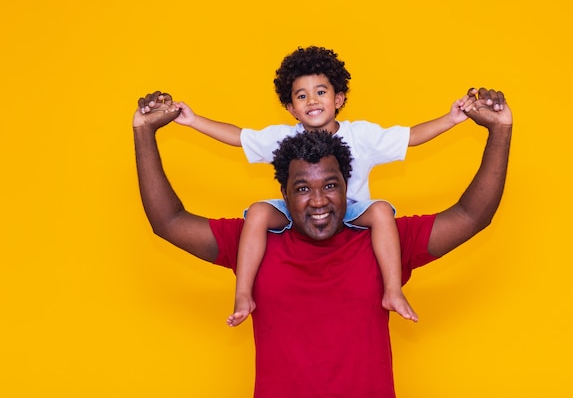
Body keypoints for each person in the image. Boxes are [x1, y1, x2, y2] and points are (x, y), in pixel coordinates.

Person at [133, 86, 512, 398]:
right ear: (282, 192)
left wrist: (500, 131)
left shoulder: (383, 242)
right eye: (302, 188)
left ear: (348, 187)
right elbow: (168, 221)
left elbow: (470, 215)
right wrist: (144, 133)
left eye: (330, 185)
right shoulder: (258, 240)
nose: (317, 200)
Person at [140, 46, 472, 326]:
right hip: (296, 213)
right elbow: (238, 137)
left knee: (382, 210)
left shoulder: (362, 135)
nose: (312, 100)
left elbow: (410, 137)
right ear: (290, 107)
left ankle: (392, 289)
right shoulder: (283, 138)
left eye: (321, 92)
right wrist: (193, 120)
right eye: (301, 95)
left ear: (339, 98)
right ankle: (243, 293)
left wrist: (451, 118)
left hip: (353, 210)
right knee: (256, 212)